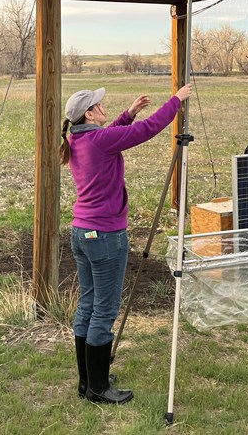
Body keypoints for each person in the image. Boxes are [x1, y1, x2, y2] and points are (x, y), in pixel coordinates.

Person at [60, 83, 192, 404]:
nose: (104, 105)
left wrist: (127, 114)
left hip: (82, 233)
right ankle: (99, 389)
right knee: (104, 311)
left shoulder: (78, 139)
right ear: (89, 114)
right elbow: (147, 131)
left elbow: (113, 135)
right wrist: (175, 101)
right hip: (106, 237)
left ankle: (87, 381)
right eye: (98, 104)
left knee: (88, 306)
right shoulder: (99, 140)